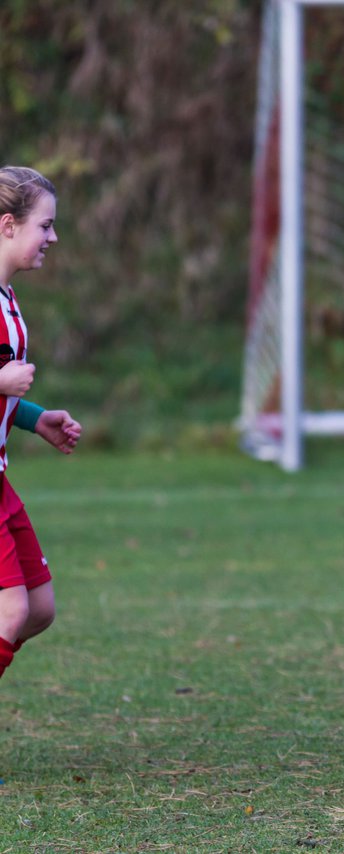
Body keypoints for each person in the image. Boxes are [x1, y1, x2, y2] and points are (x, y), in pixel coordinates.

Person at [0, 166, 83, 684]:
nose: (53, 237)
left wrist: (34, 418)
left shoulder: (7, 297)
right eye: (44, 225)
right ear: (8, 225)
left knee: (38, 605)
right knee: (10, 611)